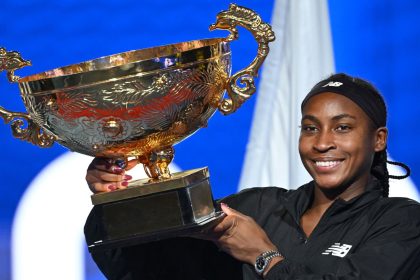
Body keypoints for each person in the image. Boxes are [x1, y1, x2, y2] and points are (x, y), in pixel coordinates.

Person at [85, 73, 420, 279]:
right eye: (310, 128)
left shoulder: (402, 224)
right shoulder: (258, 206)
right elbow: (149, 268)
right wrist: (115, 202)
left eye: (343, 128)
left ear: (378, 139)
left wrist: (263, 256)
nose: (322, 143)